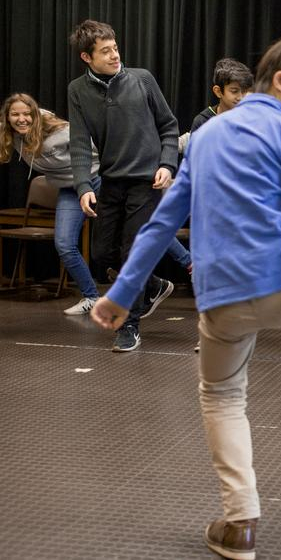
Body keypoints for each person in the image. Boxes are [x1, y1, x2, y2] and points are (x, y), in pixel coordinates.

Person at [90, 35, 281, 560]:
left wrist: (121, 294)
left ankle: (239, 525)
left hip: (220, 301)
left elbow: (161, 223)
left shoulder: (208, 134)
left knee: (221, 398)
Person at [68, 19, 178, 352]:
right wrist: (83, 185)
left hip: (146, 182)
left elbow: (169, 127)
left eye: (115, 47)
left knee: (133, 255)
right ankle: (155, 285)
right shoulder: (78, 90)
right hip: (111, 183)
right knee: (102, 256)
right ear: (87, 58)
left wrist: (167, 163)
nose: (115, 55)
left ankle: (129, 325)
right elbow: (78, 143)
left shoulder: (142, 79)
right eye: (105, 51)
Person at [0, 93, 101, 315]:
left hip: (96, 180)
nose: (21, 119)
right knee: (64, 244)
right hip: (69, 189)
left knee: (134, 232)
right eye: (15, 114)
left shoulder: (59, 130)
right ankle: (92, 296)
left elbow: (92, 151)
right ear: (7, 118)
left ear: (35, 114)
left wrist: (86, 180)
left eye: (27, 114)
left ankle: (188, 264)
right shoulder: (12, 134)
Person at [191, 58, 254, 133]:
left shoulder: (251, 118)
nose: (240, 97)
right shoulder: (203, 122)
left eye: (244, 91)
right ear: (218, 91)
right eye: (234, 91)